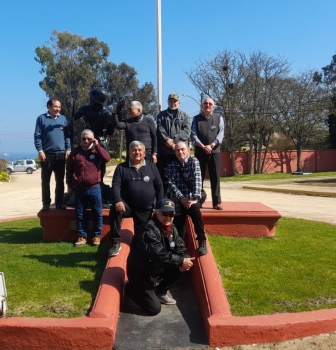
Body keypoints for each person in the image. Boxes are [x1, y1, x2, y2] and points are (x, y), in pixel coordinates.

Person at [125, 198, 195, 316]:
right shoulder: (148, 230)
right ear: (156, 212)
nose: (168, 217)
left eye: (171, 214)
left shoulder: (172, 229)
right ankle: (129, 289)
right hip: (141, 273)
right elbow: (159, 254)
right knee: (154, 309)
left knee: (182, 265)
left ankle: (160, 292)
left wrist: (185, 259)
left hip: (156, 268)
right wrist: (180, 260)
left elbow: (181, 248)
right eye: (165, 213)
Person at [108, 141, 164, 257]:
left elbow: (159, 187)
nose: (136, 152)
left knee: (143, 241)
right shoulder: (121, 168)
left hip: (145, 209)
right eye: (134, 150)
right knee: (114, 209)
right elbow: (116, 185)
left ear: (144, 153)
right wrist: (118, 200)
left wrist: (159, 206)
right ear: (129, 153)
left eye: (139, 150)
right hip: (126, 207)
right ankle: (115, 243)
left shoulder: (152, 167)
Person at [66, 129, 111, 247]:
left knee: (97, 213)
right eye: (83, 138)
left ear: (93, 139)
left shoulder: (97, 150)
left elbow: (107, 158)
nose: (86, 141)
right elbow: (69, 170)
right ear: (80, 139)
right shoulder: (75, 152)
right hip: (79, 188)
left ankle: (97, 236)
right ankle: (81, 236)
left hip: (94, 187)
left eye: (89, 138)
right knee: (80, 214)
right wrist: (69, 185)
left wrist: (98, 145)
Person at [168, 141, 207, 255]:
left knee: (195, 209)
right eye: (177, 150)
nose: (180, 152)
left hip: (193, 198)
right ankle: (180, 249)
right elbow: (171, 184)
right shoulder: (172, 166)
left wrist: (193, 199)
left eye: (182, 149)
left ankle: (201, 240)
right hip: (179, 200)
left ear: (188, 151)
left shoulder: (194, 162)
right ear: (175, 152)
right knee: (179, 222)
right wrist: (181, 198)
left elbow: (197, 181)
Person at [34, 98, 71, 211]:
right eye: (55, 106)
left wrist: (68, 149)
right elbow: (37, 136)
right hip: (47, 155)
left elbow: (67, 136)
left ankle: (59, 203)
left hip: (60, 155)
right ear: (49, 107)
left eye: (59, 107)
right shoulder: (41, 119)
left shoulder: (63, 119)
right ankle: (46, 204)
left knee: (60, 181)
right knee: (45, 181)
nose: (57, 109)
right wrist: (40, 150)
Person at [73, 87, 115, 181]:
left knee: (103, 159)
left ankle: (100, 182)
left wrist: (105, 134)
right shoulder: (85, 109)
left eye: (91, 98)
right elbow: (74, 117)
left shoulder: (107, 112)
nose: (90, 99)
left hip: (100, 139)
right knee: (80, 157)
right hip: (87, 138)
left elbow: (111, 129)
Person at [191, 97, 224, 210]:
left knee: (215, 176)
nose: (208, 105)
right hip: (200, 151)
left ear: (213, 107)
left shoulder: (219, 118)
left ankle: (217, 202)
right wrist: (203, 146)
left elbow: (220, 134)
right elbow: (193, 135)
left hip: (214, 151)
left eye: (210, 104)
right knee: (198, 177)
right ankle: (199, 200)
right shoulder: (196, 119)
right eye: (205, 103)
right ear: (202, 106)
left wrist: (211, 145)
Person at [156, 93, 191, 193]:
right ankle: (165, 201)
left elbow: (186, 131)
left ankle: (181, 199)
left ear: (179, 103)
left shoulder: (185, 116)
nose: (173, 103)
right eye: (171, 101)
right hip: (165, 152)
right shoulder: (161, 115)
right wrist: (167, 141)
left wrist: (175, 140)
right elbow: (160, 130)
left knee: (181, 176)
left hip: (180, 153)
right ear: (168, 102)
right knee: (165, 177)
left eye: (175, 101)